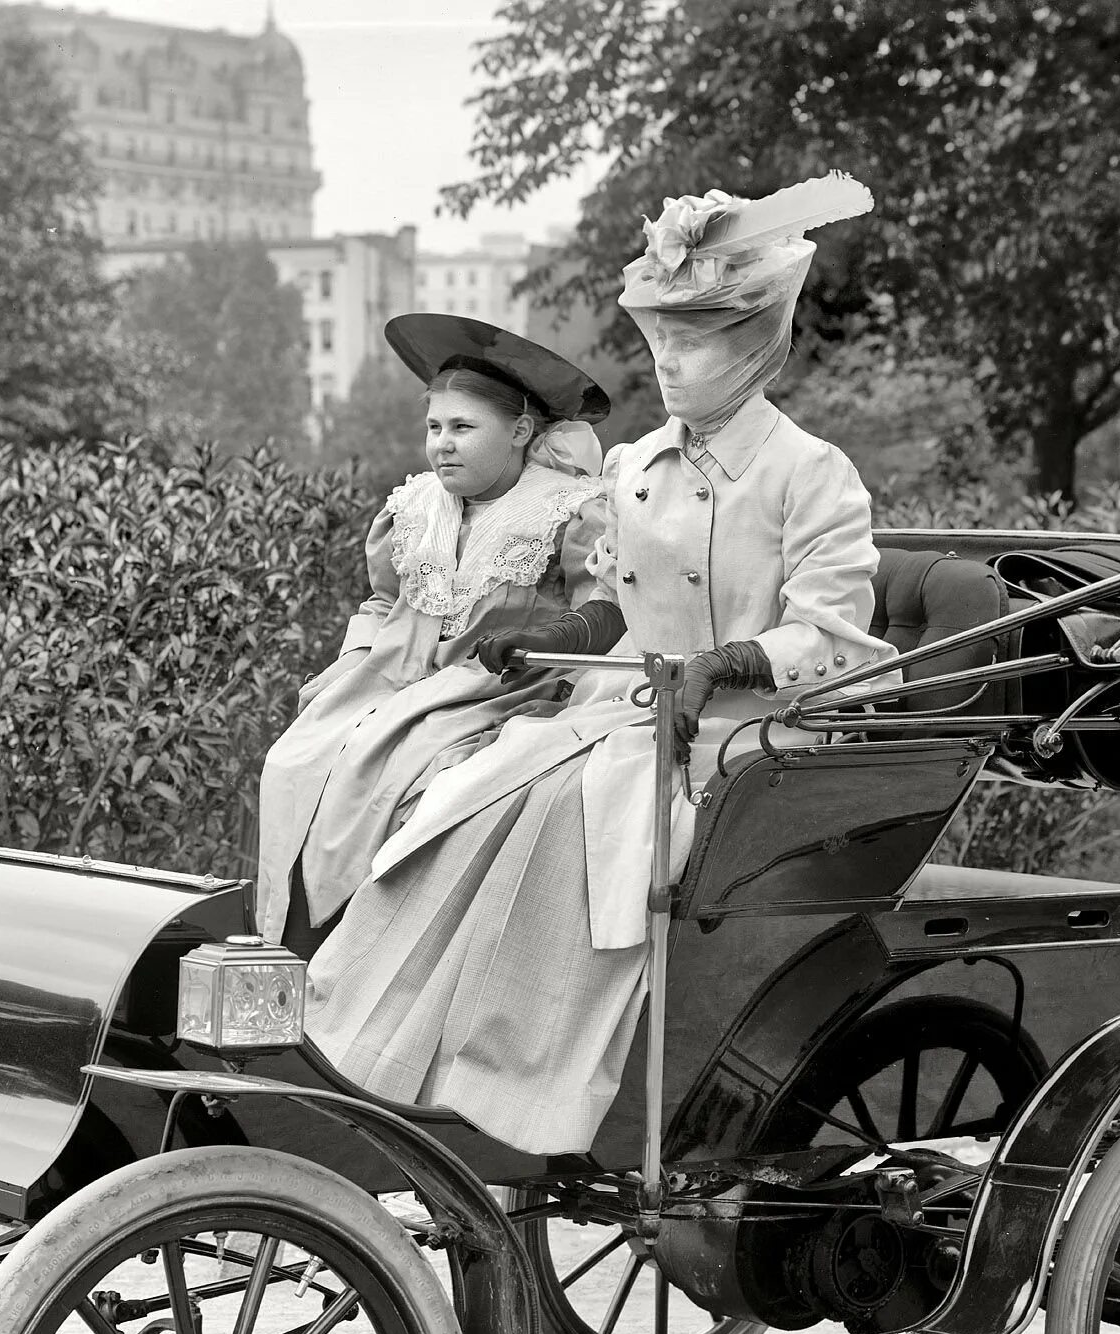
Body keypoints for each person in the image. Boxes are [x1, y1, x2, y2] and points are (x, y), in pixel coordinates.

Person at [304, 176, 897, 1155]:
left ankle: (521, 1081)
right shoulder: (634, 468)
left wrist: (729, 659)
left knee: (573, 816)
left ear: (752, 346)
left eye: (695, 341)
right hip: (633, 705)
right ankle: (393, 1042)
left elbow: (833, 636)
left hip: (756, 728)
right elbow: (621, 603)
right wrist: (562, 638)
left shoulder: (809, 473)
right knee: (468, 790)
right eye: (660, 341)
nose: (668, 364)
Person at [254, 315, 618, 950]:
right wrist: (353, 658)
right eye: (434, 428)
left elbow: (600, 610)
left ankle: (363, 947)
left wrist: (558, 658)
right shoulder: (415, 505)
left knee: (407, 783)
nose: (442, 444)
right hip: (391, 673)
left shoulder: (567, 509)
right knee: (295, 758)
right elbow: (382, 599)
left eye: (463, 428)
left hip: (493, 686)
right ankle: (284, 944)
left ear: (521, 432)